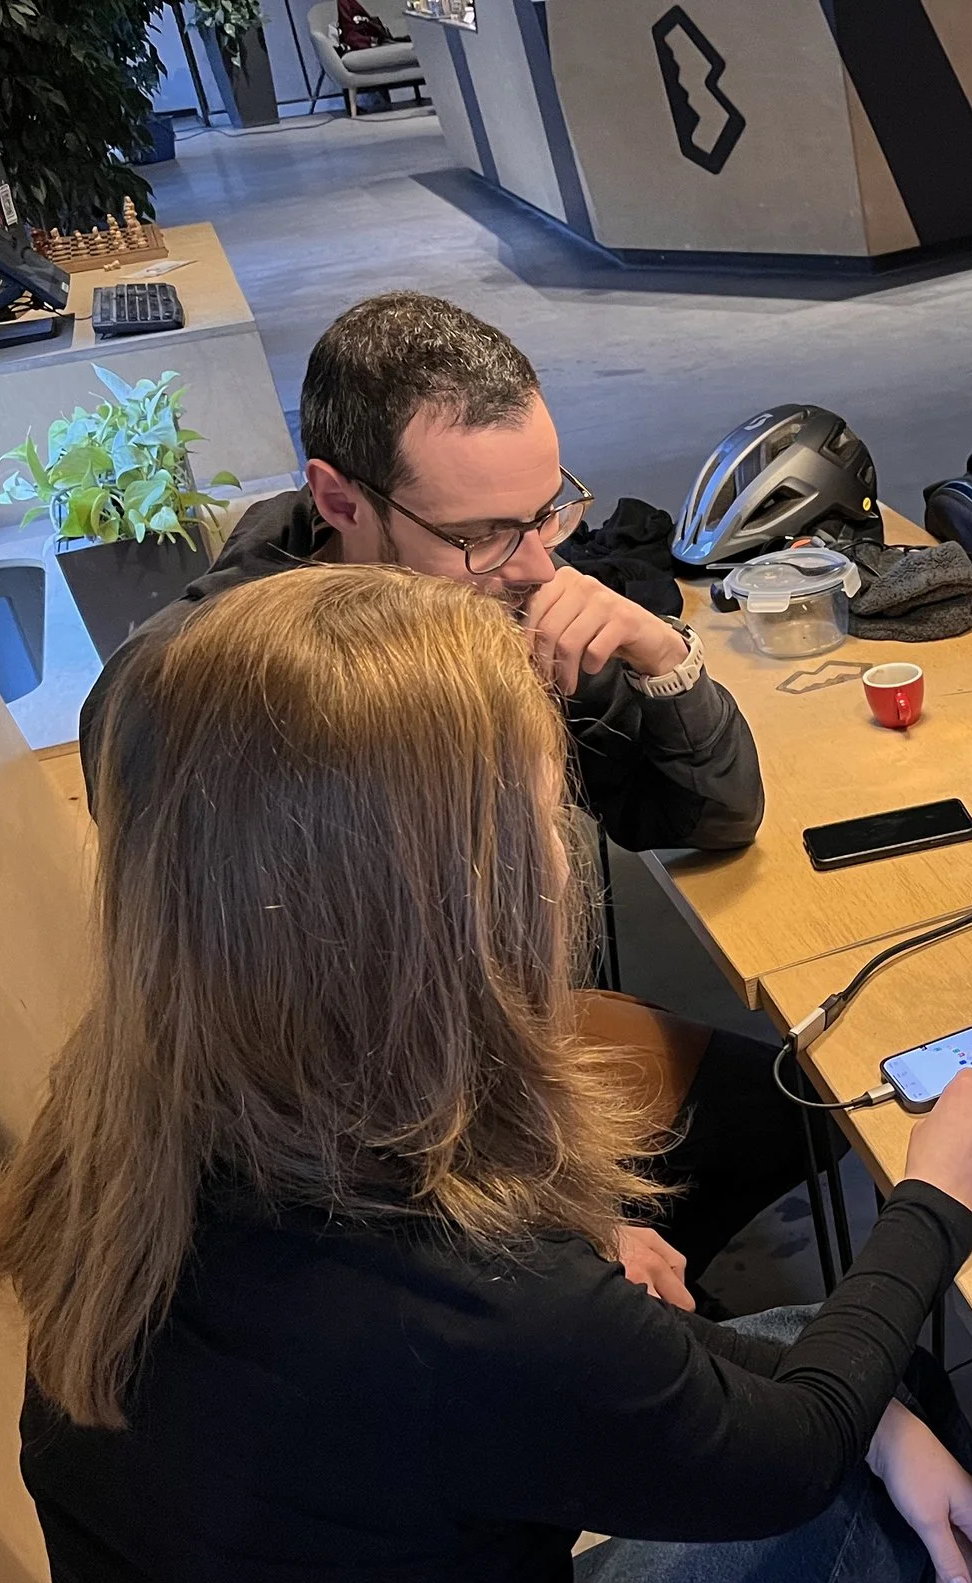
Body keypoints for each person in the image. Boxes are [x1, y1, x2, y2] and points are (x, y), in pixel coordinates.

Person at [0, 565, 972, 1583]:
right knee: (883, 1444)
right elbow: (786, 1453)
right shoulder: (463, 1300)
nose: (563, 852)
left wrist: (863, 1410)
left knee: (838, 1371)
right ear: (440, 900)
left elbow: (526, 1357)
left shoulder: (142, 1140)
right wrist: (932, 1200)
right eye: (543, 814)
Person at [78, 292, 799, 1292]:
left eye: (547, 512)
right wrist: (565, 1229)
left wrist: (663, 656)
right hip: (350, 1153)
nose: (536, 565)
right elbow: (267, 1064)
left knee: (794, 1107)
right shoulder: (200, 702)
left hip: (490, 1042)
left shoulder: (497, 595)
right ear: (339, 501)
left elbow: (706, 816)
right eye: (484, 532)